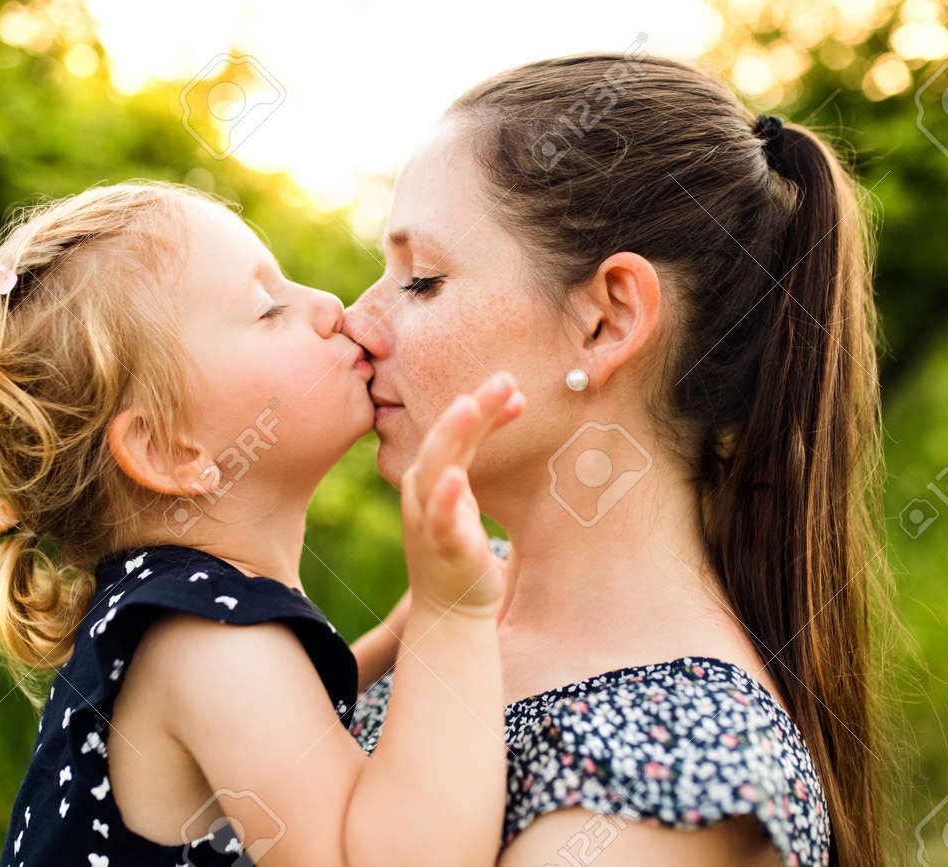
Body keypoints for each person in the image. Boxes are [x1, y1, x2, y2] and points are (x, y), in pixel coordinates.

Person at [344, 53, 891, 866]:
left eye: (422, 279)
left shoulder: (681, 776)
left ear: (607, 320)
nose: (356, 321)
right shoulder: (468, 594)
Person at [0, 180, 525, 865]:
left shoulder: (185, 615)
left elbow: (303, 722)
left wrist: (400, 637)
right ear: (169, 450)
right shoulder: (206, 640)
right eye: (268, 308)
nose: (328, 305)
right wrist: (451, 614)